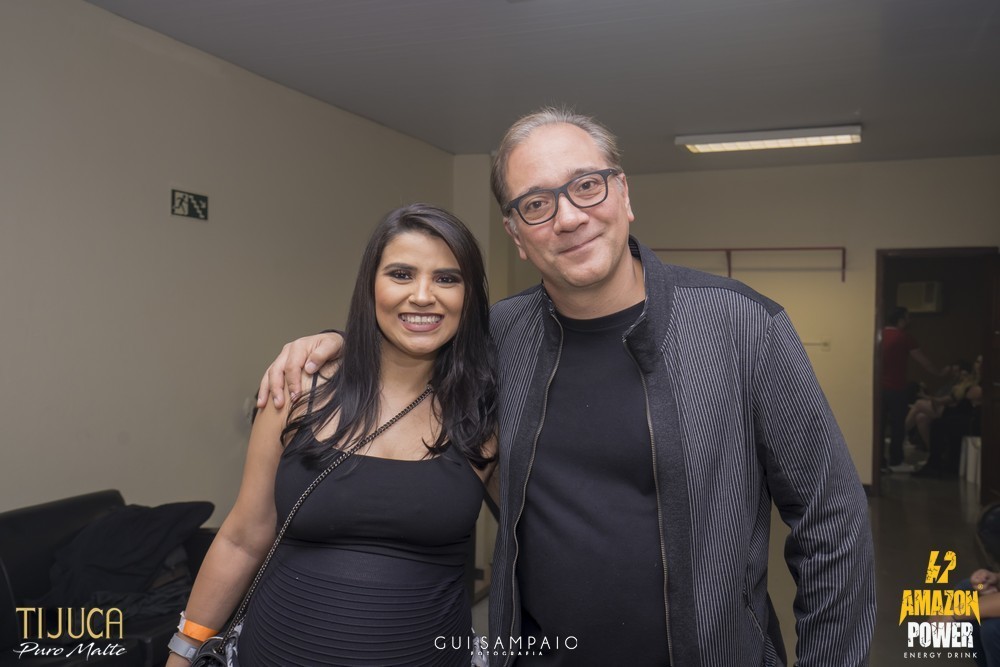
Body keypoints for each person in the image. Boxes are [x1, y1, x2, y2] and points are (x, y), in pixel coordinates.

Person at [258, 108, 876, 666]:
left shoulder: (740, 325)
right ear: (516, 235)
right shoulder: (498, 338)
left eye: (586, 185)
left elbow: (831, 518)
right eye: (536, 204)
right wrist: (333, 343)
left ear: (623, 194)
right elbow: (412, 344)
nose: (570, 217)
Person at [167, 204, 497, 666]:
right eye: (401, 274)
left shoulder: (486, 415)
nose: (423, 296)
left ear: (470, 295)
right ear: (370, 286)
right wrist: (184, 651)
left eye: (447, 278)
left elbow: (540, 538)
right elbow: (242, 538)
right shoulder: (298, 390)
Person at [880, 306, 938, 473]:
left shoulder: (879, 335)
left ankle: (879, 462)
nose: (909, 321)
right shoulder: (904, 338)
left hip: (879, 388)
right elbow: (923, 361)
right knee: (898, 425)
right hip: (897, 388)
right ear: (901, 320)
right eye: (908, 318)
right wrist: (939, 372)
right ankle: (896, 460)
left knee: (879, 426)